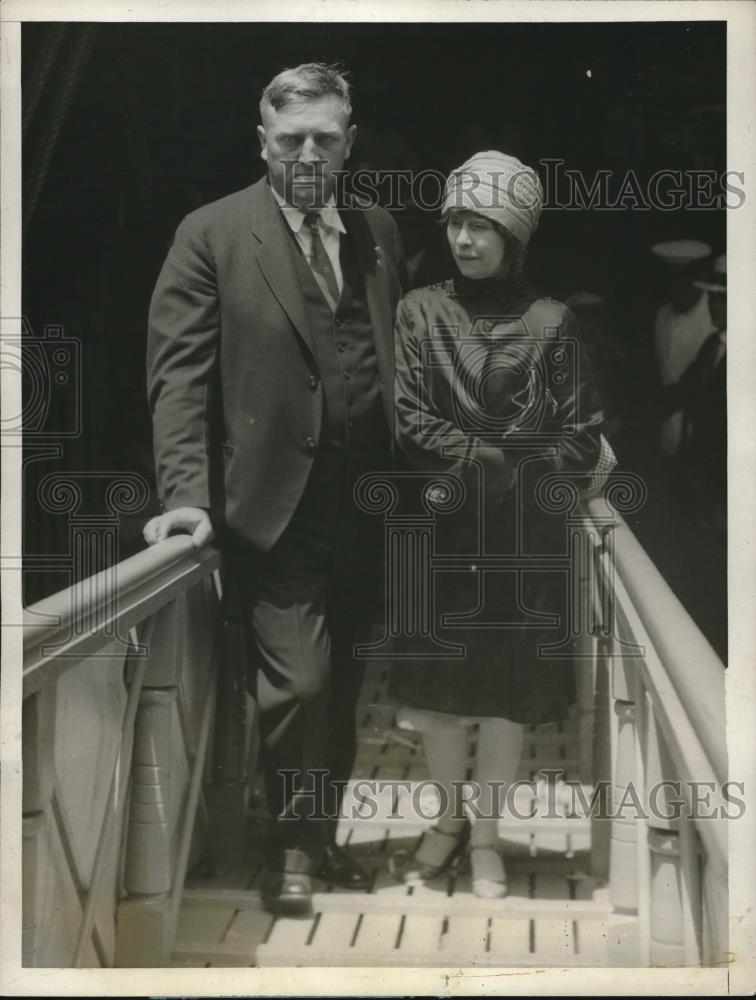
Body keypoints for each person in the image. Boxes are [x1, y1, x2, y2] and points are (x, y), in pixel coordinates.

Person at [143, 63, 406, 915]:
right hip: (271, 509)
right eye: (289, 138)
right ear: (262, 142)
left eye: (324, 139)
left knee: (344, 682)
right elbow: (177, 377)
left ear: (349, 144)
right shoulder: (212, 234)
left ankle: (319, 840)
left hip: (365, 506)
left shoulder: (377, 229)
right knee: (296, 682)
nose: (307, 153)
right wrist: (185, 493)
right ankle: (290, 846)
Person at [387, 151, 605, 897]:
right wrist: (500, 457)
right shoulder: (419, 309)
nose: (464, 239)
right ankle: (446, 822)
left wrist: (507, 466)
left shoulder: (552, 323)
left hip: (520, 543)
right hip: (443, 531)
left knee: (508, 701)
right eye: (454, 221)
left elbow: (580, 436)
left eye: (482, 224)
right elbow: (411, 423)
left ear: (515, 234)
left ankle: (486, 838)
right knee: (441, 699)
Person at [650, 239, 715, 457]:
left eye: (687, 280)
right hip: (667, 431)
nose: (679, 288)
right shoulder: (662, 315)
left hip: (702, 433)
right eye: (673, 281)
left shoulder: (716, 313)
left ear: (699, 279)